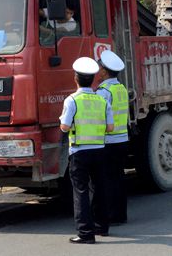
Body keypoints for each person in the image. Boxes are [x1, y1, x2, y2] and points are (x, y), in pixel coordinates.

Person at [59, 57, 114, 244]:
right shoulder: (102, 100)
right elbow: (110, 128)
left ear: (75, 79)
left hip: (79, 151)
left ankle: (85, 233)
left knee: (81, 191)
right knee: (100, 187)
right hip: (100, 150)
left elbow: (65, 127)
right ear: (92, 80)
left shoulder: (72, 100)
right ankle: (103, 227)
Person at [96, 50, 129, 225]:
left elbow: (99, 117)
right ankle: (121, 215)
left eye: (100, 67)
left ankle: (111, 215)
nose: (98, 70)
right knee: (119, 178)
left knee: (107, 180)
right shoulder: (120, 88)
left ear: (105, 71)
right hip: (122, 139)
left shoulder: (103, 92)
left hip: (108, 141)